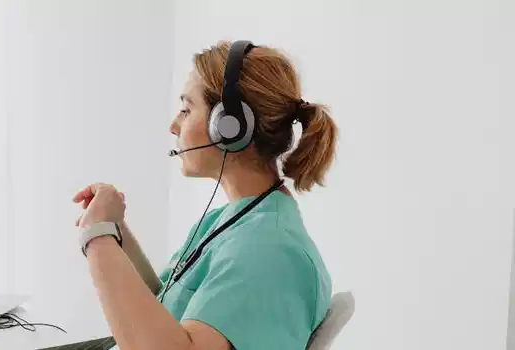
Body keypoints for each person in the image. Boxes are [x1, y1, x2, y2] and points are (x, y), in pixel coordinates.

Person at [72, 40, 338, 350]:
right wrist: (117, 231)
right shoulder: (236, 219)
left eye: (186, 109)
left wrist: (98, 238)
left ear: (230, 126)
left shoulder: (267, 250)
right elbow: (167, 306)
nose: (174, 125)